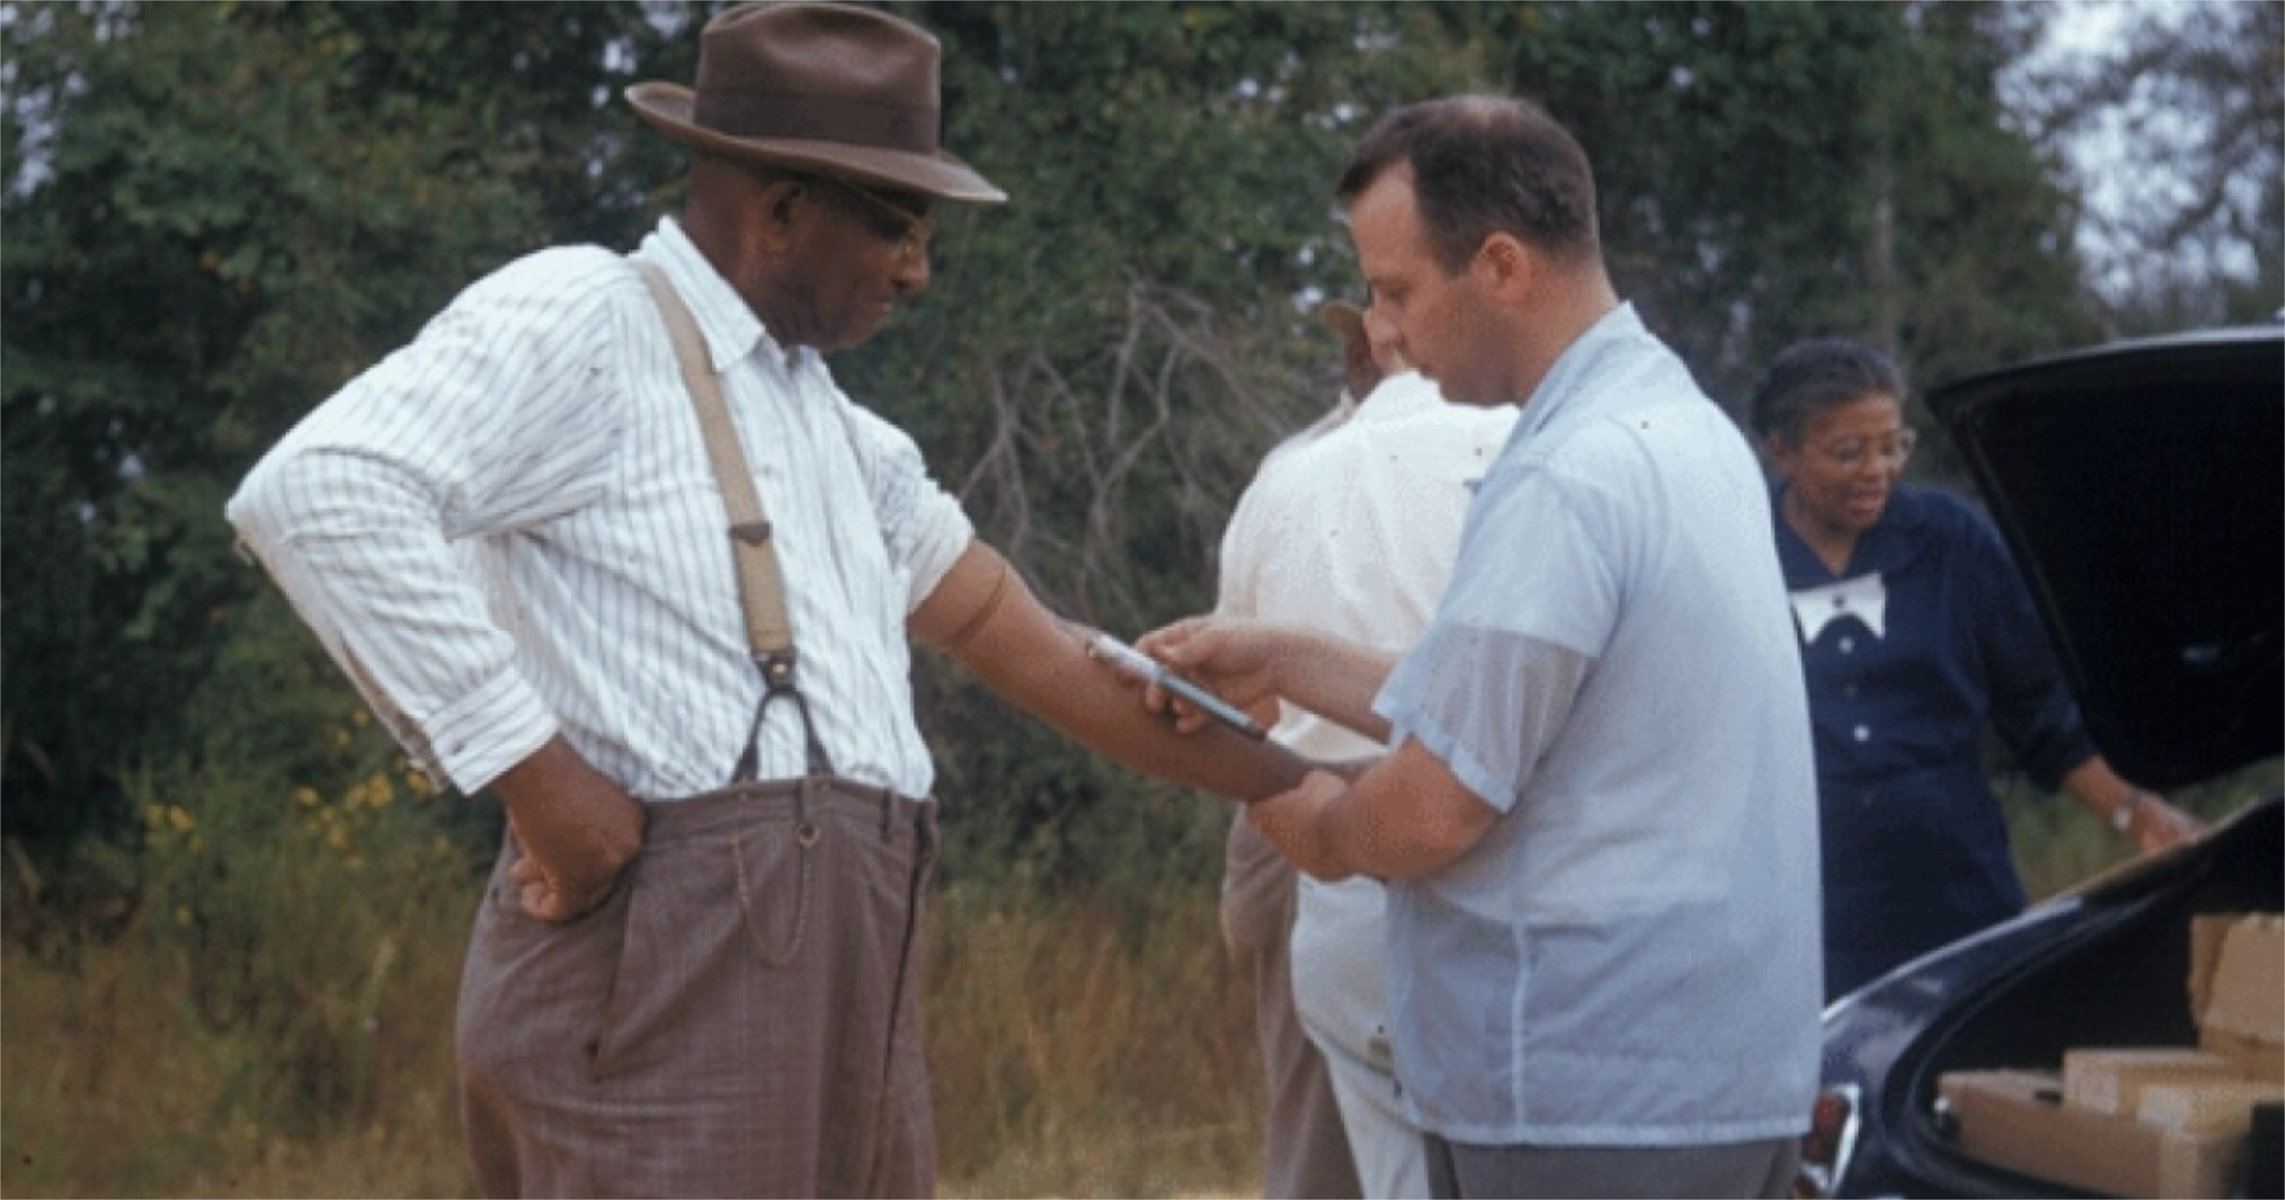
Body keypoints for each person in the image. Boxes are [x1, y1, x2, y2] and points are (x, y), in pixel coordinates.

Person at [224, 5, 1311, 1197]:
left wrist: (1338, 789)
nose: (916, 269)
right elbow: (318, 495)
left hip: (852, 965)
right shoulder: (588, 316)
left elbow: (1033, 648)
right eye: (895, 228)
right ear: (780, 210)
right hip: (660, 977)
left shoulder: (837, 432)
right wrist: (541, 784)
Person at [1141, 95, 1821, 1200]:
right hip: (1710, 1081)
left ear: (1500, 265)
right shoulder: (1680, 431)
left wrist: (1305, 817)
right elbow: (1538, 709)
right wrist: (1286, 658)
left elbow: (1432, 805)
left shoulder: (1563, 476)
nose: (1381, 334)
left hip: (1576, 1103)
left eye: (1397, 290)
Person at [1747, 337, 2205, 1001]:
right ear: (1779, 450)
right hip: (1800, 898)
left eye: (1891, 445)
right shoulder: (1734, 548)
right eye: (1847, 452)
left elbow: (2039, 712)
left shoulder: (1952, 540)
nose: (1876, 470)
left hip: (1953, 885)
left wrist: (2136, 815)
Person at [1218, 299, 1514, 1199]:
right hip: (1481, 807)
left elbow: (1238, 697)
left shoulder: (1287, 474)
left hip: (1297, 810)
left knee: (1320, 1143)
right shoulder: (1531, 439)